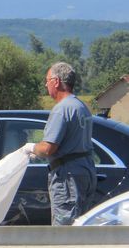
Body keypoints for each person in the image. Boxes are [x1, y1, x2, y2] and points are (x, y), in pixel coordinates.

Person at [25, 62, 97, 225]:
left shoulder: (61, 109)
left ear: (56, 82)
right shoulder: (81, 107)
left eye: (47, 80)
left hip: (68, 178)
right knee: (81, 226)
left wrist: (31, 148)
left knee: (65, 228)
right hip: (85, 172)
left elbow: (49, 148)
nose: (46, 84)